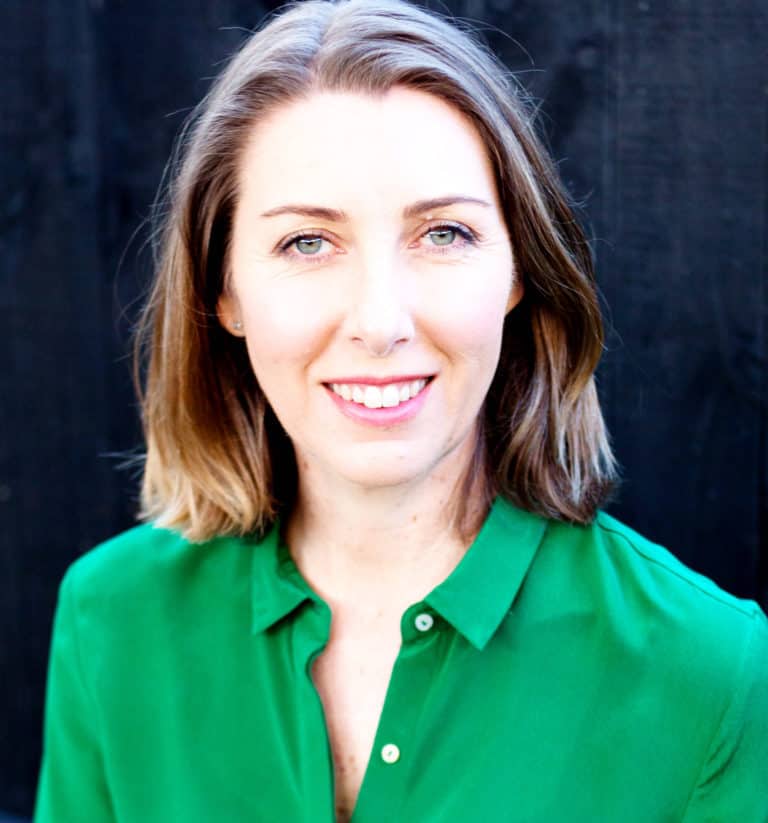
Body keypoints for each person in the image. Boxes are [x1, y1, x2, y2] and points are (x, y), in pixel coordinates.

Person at [34, 0, 768, 820]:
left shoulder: (711, 669)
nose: (381, 323)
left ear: (520, 272)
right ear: (223, 291)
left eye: (444, 234)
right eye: (307, 243)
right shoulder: (112, 621)